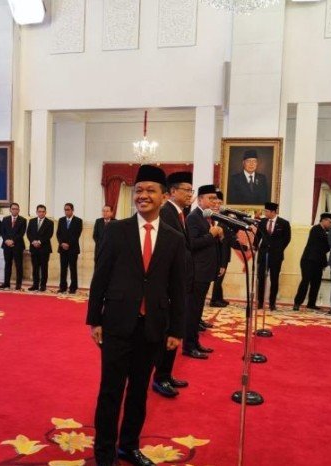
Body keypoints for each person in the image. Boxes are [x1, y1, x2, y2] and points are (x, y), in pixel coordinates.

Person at [87, 164, 185, 466]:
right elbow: (100, 276)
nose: (143, 195)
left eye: (150, 190)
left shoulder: (173, 238)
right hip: (117, 324)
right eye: (139, 190)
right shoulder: (116, 231)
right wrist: (95, 319)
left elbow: (178, 288)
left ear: (164, 196)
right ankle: (104, 453)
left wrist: (176, 330)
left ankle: (128, 446)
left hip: (152, 327)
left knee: (139, 391)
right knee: (111, 391)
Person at [152, 171, 193, 398]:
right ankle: (160, 377)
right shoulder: (166, 212)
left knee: (174, 328)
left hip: (178, 281)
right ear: (173, 191)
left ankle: (166, 374)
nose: (190, 194)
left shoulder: (179, 213)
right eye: (186, 190)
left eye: (191, 190)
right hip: (167, 285)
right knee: (167, 331)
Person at [184, 184, 223, 360]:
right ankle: (189, 346)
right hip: (196, 272)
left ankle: (195, 342)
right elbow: (192, 244)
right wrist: (212, 235)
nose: (214, 201)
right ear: (200, 200)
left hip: (206, 271)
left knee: (198, 310)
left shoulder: (208, 216)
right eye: (211, 198)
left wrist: (218, 236)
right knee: (192, 311)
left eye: (215, 198)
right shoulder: (193, 217)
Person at [293, 213, 331, 311]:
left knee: (316, 283)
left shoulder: (325, 232)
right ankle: (297, 303)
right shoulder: (316, 229)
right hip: (308, 260)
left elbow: (326, 248)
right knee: (305, 281)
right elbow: (325, 244)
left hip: (318, 262)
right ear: (323, 220)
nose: (330, 224)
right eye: (330, 222)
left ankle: (311, 303)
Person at [255, 202, 291, 311]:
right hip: (263, 254)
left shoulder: (284, 223)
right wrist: (255, 246)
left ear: (273, 212)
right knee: (261, 278)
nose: (265, 213)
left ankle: (272, 303)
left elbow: (287, 239)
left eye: (266, 211)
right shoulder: (262, 222)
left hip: (276, 256)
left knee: (274, 279)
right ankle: (260, 302)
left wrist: (278, 249)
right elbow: (258, 236)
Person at [209, 190, 231, 308]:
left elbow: (229, 237)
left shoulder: (224, 218)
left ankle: (219, 297)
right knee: (218, 277)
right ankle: (214, 300)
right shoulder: (208, 217)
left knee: (220, 277)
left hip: (224, 252)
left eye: (219, 203)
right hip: (214, 253)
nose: (217, 205)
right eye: (215, 203)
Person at [26, 204, 54, 292]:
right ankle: (35, 285)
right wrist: (33, 241)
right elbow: (28, 233)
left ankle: (43, 285)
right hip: (34, 248)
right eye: (39, 211)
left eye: (43, 212)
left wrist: (39, 242)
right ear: (36, 212)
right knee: (35, 268)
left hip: (44, 248)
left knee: (44, 268)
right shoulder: (32, 221)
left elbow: (49, 235)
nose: (41, 213)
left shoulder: (50, 222)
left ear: (45, 212)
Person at [0, 203, 27, 290]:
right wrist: (6, 240)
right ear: (10, 210)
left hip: (18, 245)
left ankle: (18, 284)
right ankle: (6, 283)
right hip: (6, 245)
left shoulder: (23, 220)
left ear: (19, 210)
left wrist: (12, 241)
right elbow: (2, 231)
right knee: (7, 264)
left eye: (16, 209)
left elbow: (21, 233)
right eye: (13, 209)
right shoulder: (5, 219)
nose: (15, 210)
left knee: (19, 265)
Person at [56, 203, 83, 294]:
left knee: (72, 268)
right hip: (62, 248)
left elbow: (77, 235)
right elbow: (58, 234)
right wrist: (62, 243)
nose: (66, 211)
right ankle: (63, 287)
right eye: (65, 210)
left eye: (68, 209)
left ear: (72, 210)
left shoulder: (78, 221)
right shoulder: (61, 220)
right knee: (63, 268)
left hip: (73, 249)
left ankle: (73, 287)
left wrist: (68, 244)